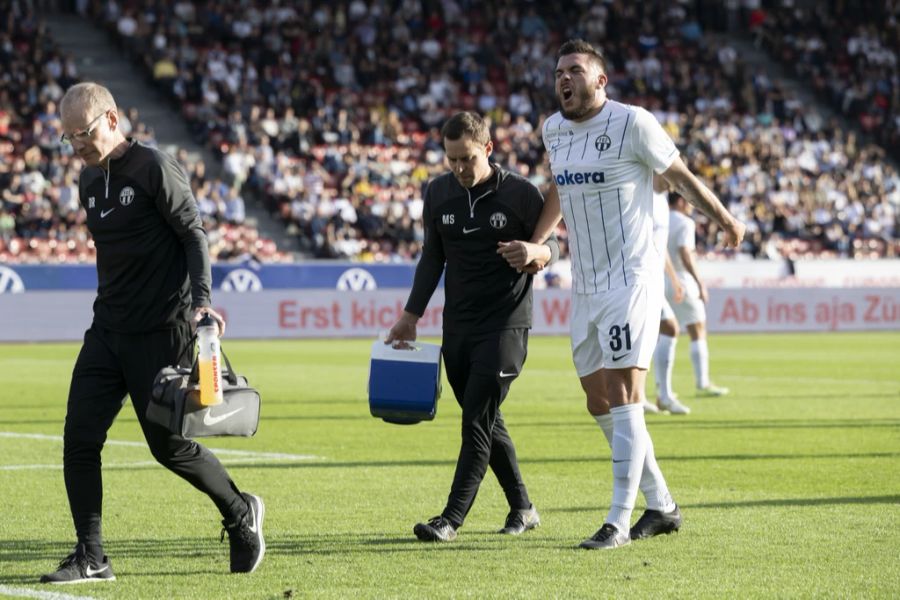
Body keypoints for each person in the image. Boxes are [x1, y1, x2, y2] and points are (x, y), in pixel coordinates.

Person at [503, 39, 745, 549]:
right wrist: (536, 241)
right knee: (597, 401)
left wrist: (723, 216)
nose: (563, 79)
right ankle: (662, 506)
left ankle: (618, 521)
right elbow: (560, 191)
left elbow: (678, 177)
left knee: (626, 396)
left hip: (632, 281)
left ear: (600, 79)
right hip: (585, 283)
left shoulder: (633, 123)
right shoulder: (554, 130)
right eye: (557, 73)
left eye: (574, 70)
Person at [41, 82, 264, 584]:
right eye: (67, 137)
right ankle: (92, 555)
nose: (75, 144)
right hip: (107, 331)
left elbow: (193, 234)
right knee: (79, 439)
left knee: (170, 448)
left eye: (83, 133)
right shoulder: (86, 182)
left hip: (164, 332)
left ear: (112, 120)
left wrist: (203, 303)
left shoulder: (155, 168)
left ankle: (238, 510)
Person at [386, 111, 559, 542]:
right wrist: (411, 314)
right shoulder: (438, 193)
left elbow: (550, 242)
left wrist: (538, 251)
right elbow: (432, 257)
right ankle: (523, 507)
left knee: (475, 425)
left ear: (487, 148)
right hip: (457, 328)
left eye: (467, 158)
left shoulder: (520, 194)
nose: (459, 168)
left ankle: (450, 519)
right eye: (451, 159)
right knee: (484, 417)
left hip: (505, 326)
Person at [667, 191, 730, 397]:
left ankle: (662, 390)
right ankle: (702, 383)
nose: (692, 205)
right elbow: (685, 253)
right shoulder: (684, 223)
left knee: (664, 333)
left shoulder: (657, 217)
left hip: (660, 280)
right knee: (698, 330)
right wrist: (699, 281)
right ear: (680, 201)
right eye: (689, 201)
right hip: (682, 281)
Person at [644, 175, 691, 415]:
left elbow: (660, 247)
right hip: (640, 277)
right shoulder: (646, 196)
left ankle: (645, 395)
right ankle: (661, 395)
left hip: (654, 278)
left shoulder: (661, 200)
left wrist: (673, 278)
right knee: (670, 328)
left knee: (648, 334)